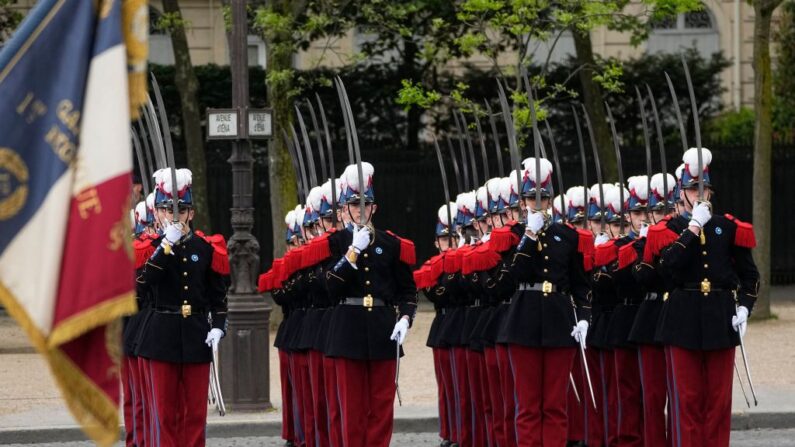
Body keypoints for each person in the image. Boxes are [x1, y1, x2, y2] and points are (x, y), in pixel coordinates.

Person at [646, 148, 759, 447]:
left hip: (720, 317)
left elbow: (750, 277)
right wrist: (693, 227)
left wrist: (745, 308)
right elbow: (667, 266)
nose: (699, 194)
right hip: (682, 317)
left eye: (704, 188)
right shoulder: (670, 228)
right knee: (688, 402)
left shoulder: (727, 227)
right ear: (681, 194)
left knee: (719, 403)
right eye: (692, 189)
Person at [495, 157, 592, 447]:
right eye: (530, 198)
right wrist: (529, 235)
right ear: (522, 201)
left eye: (543, 198)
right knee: (527, 406)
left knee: (554, 405)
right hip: (523, 319)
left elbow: (580, 284)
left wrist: (584, 316)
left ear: (550, 200)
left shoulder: (568, 236)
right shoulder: (511, 236)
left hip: (559, 320)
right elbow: (512, 276)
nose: (537, 203)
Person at [324, 162, 418, 447]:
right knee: (351, 409)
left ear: (374, 208)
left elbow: (408, 292)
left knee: (381, 407)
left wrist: (405, 319)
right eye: (355, 204)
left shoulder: (390, 243)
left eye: (366, 204)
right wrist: (353, 252)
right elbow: (328, 286)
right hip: (347, 328)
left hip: (381, 328)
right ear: (346, 207)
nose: (361, 209)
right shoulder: (336, 242)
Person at [136, 168, 229, 447]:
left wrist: (217, 328)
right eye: (166, 210)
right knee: (165, 413)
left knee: (194, 414)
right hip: (161, 334)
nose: (174, 216)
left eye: (181, 209)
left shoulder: (206, 247)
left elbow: (218, 297)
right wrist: (165, 247)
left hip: (196, 334)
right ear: (158, 213)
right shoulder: (151, 248)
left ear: (191, 213)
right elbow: (142, 284)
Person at [629, 172, 677, 447]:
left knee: (681, 395)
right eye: (659, 210)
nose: (664, 215)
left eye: (668, 209)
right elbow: (640, 277)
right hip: (650, 319)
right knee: (654, 397)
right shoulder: (641, 241)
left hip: (676, 315)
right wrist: (648, 245)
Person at [416, 203, 459, 447]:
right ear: (436, 242)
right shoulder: (434, 265)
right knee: (446, 386)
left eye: (452, 237)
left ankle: (460, 431)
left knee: (461, 387)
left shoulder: (465, 260)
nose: (448, 243)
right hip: (443, 323)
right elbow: (436, 294)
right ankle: (448, 431)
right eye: (444, 238)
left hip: (461, 320)